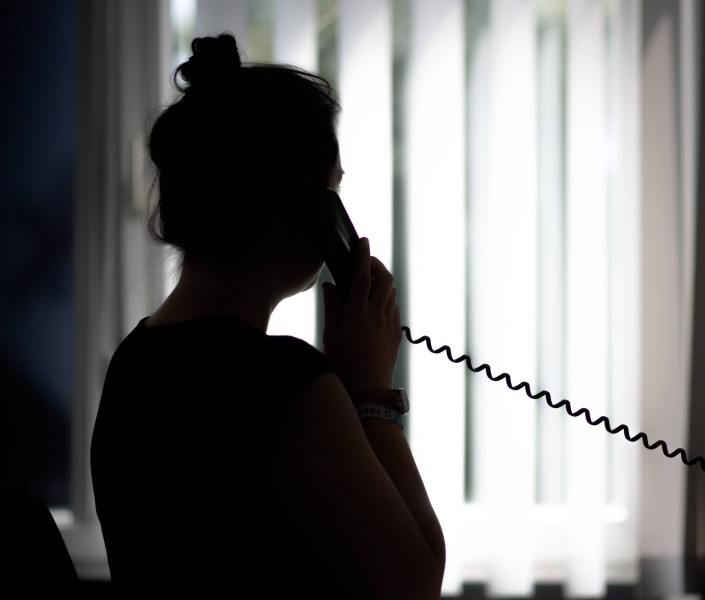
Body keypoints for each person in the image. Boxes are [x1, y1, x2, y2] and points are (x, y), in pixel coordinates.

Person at [90, 34, 445, 597]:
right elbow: (414, 581)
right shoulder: (285, 384)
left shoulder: (133, 364)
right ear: (299, 209)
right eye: (333, 194)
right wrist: (372, 391)